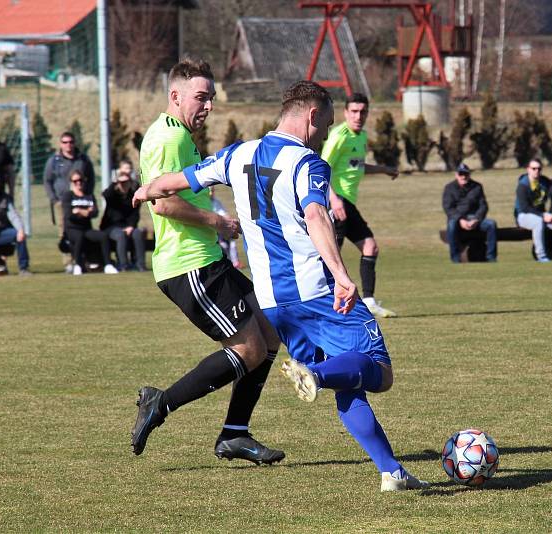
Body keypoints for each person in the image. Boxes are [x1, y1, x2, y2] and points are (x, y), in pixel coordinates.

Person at [134, 80, 429, 492]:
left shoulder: (238, 153)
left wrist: (148, 188)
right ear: (311, 116)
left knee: (348, 375)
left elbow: (177, 182)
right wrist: (343, 276)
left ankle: (391, 472)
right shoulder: (309, 163)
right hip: (319, 292)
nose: (325, 134)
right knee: (378, 371)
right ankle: (315, 374)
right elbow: (316, 217)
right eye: (325, 125)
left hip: (274, 302)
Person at [130, 58, 284, 466]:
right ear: (175, 95)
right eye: (201, 97)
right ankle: (160, 403)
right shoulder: (168, 139)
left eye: (212, 98)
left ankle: (235, 434)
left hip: (207, 260)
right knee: (249, 349)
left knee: (269, 334)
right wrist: (216, 221)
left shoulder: (177, 134)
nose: (209, 106)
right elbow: (163, 204)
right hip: (189, 264)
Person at [320, 93, 400, 318]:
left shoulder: (361, 136)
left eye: (362, 111)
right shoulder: (339, 135)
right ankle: (324, 304)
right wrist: (333, 199)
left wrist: (384, 169)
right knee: (329, 256)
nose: (358, 116)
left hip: (348, 204)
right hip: (337, 202)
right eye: (354, 111)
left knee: (369, 247)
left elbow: (356, 165)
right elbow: (321, 168)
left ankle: (369, 301)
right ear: (345, 113)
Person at [43, 131, 97, 272]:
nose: (68, 145)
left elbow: (91, 178)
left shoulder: (83, 159)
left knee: (84, 230)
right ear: (60, 144)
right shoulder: (54, 161)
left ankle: (82, 259)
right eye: (65, 142)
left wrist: (88, 196)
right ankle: (69, 262)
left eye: (71, 142)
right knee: (64, 232)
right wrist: (54, 200)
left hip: (81, 200)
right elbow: (47, 181)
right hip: (63, 202)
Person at [61, 169, 118, 275]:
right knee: (79, 237)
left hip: (86, 228)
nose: (78, 183)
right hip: (72, 229)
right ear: (71, 182)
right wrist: (86, 211)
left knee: (103, 236)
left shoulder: (89, 195)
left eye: (81, 180)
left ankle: (108, 264)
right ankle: (77, 265)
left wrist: (79, 211)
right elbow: (70, 215)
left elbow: (95, 212)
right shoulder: (68, 196)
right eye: (75, 181)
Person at [515, 159, 552, 262]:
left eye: (539, 169)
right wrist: (543, 215)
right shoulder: (523, 185)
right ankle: (541, 256)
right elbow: (525, 207)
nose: (536, 171)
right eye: (534, 168)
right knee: (538, 222)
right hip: (523, 216)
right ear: (528, 169)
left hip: (541, 215)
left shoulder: (544, 181)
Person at [442, 163, 498, 263]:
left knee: (491, 224)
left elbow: (483, 206)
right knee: (451, 225)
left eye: (466, 174)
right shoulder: (449, 188)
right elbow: (448, 208)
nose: (463, 177)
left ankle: (491, 257)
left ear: (469, 175)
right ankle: (455, 258)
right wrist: (460, 220)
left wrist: (477, 219)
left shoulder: (477, 187)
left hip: (474, 218)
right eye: (461, 174)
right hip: (457, 219)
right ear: (456, 175)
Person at [100, 168, 146, 271]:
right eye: (121, 182)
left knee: (137, 233)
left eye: (126, 182)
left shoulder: (133, 196)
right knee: (120, 235)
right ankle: (123, 265)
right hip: (111, 227)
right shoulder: (113, 195)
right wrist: (115, 182)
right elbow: (105, 195)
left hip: (128, 226)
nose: (123, 184)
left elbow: (135, 214)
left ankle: (140, 265)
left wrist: (131, 226)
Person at [210, 187, 243, 269]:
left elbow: (225, 214)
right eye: (210, 191)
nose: (211, 193)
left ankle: (235, 262)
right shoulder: (204, 203)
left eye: (213, 190)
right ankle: (227, 261)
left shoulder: (216, 202)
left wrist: (229, 222)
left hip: (221, 227)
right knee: (222, 245)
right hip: (213, 230)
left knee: (232, 242)